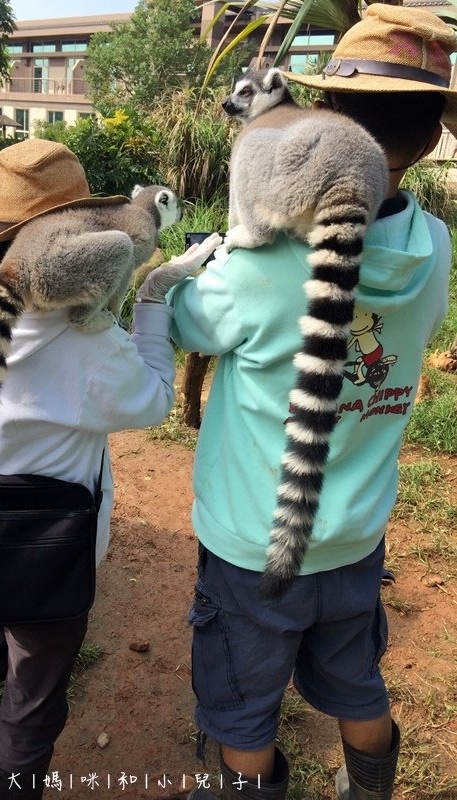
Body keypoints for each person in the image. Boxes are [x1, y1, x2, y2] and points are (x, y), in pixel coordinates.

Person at [166, 6, 455, 799]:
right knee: (356, 679)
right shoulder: (436, 250)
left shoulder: (270, 266)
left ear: (323, 119)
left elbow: (187, 321)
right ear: (431, 142)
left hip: (254, 540)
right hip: (356, 533)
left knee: (244, 711)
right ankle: (369, 788)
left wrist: (201, 265)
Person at [0, 139, 220, 800]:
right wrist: (150, 300)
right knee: (32, 692)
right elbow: (151, 401)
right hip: (48, 546)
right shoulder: (87, 342)